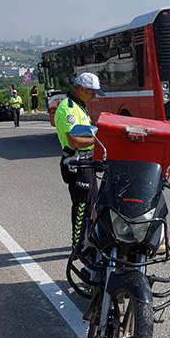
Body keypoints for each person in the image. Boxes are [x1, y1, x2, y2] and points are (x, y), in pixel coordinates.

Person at [54, 72, 105, 250]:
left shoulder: (79, 106)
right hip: (77, 165)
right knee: (82, 206)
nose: (95, 95)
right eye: (92, 92)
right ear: (82, 89)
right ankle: (78, 245)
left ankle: (89, 239)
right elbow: (74, 140)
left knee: (93, 203)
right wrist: (102, 140)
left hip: (87, 163)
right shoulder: (68, 108)